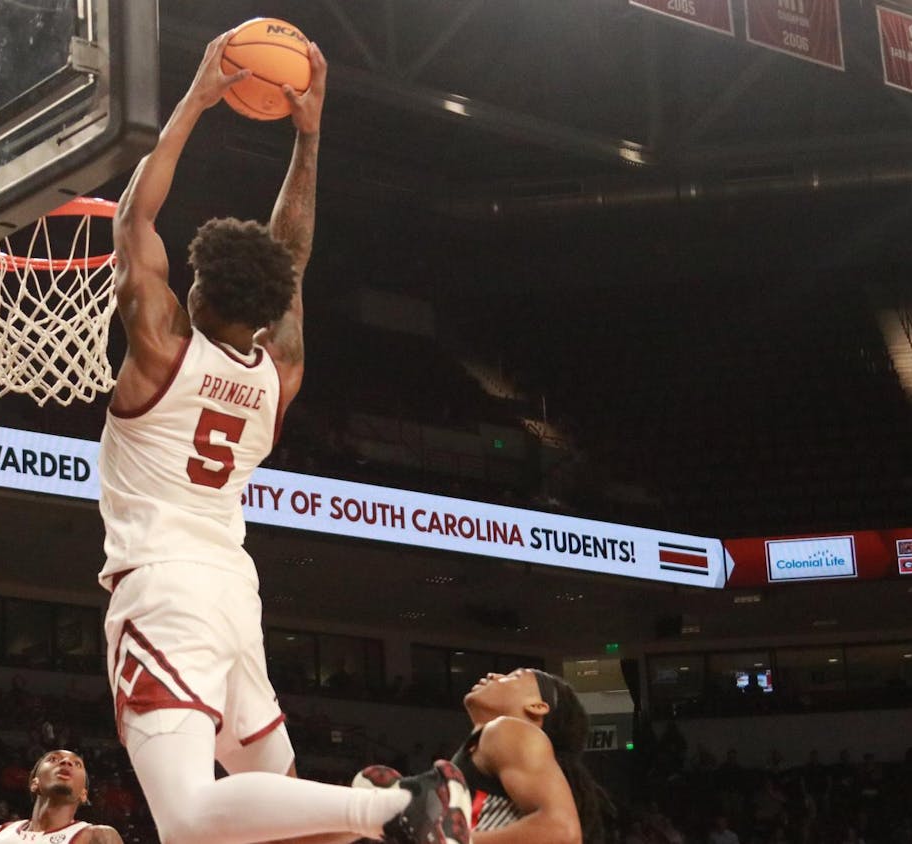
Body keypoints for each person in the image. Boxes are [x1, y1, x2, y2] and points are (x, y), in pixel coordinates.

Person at [96, 27, 465, 844]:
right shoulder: (279, 374)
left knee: (189, 820)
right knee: (286, 816)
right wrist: (310, 131)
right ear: (267, 312)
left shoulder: (160, 348)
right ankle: (374, 820)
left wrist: (196, 95)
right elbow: (291, 251)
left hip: (165, 589)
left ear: (194, 288)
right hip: (231, 595)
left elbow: (135, 216)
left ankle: (397, 804)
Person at [448, 667, 613, 842]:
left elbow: (560, 832)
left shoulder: (506, 731)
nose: (492, 675)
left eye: (514, 676)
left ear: (537, 706)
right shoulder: (487, 746)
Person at [0, 750, 117, 844]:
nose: (66, 762)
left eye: (77, 764)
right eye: (53, 759)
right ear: (34, 783)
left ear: (83, 794)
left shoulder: (98, 837)